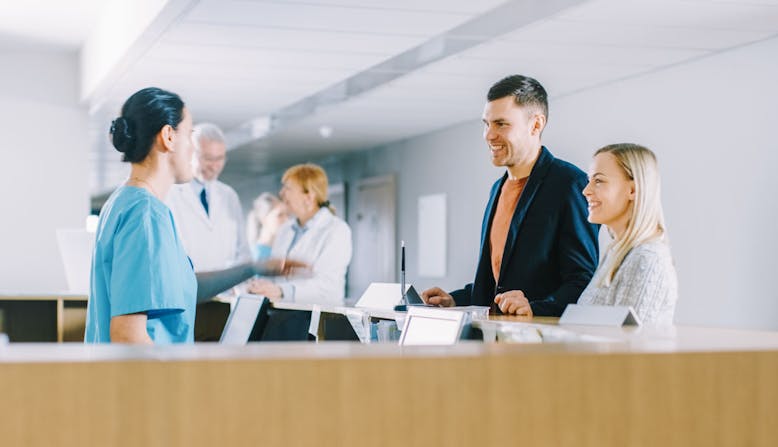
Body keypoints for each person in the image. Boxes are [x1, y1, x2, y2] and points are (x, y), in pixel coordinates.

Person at [85, 87, 301, 344]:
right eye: (189, 135)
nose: (190, 149)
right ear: (168, 137)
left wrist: (252, 267)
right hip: (145, 380)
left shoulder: (123, 202)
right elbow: (128, 335)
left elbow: (185, 286)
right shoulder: (146, 213)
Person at [421, 75, 599, 316]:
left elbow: (582, 281)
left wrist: (534, 309)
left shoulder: (569, 184)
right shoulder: (498, 188)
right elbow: (498, 283)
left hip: (539, 345)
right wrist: (454, 299)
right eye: (486, 124)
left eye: (501, 124)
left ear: (536, 125)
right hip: (493, 341)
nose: (488, 135)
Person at [578, 144, 678, 325]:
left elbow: (629, 347)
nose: (586, 191)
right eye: (589, 180)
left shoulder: (647, 259)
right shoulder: (616, 254)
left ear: (633, 190)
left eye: (598, 181)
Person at [248, 164, 352, 305]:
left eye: (288, 188)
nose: (281, 193)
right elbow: (277, 273)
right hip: (283, 313)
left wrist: (281, 290)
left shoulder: (337, 230)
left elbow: (327, 286)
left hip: (318, 317)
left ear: (309, 196)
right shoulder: (285, 229)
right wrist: (262, 286)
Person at [165, 123, 250, 272]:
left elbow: (243, 251)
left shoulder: (229, 195)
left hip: (225, 290)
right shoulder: (170, 193)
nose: (215, 166)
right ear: (190, 154)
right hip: (187, 288)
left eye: (220, 158)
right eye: (208, 158)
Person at [246, 193, 289, 261]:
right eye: (280, 215)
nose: (287, 220)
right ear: (263, 219)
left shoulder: (279, 250)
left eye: (287, 215)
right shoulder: (257, 255)